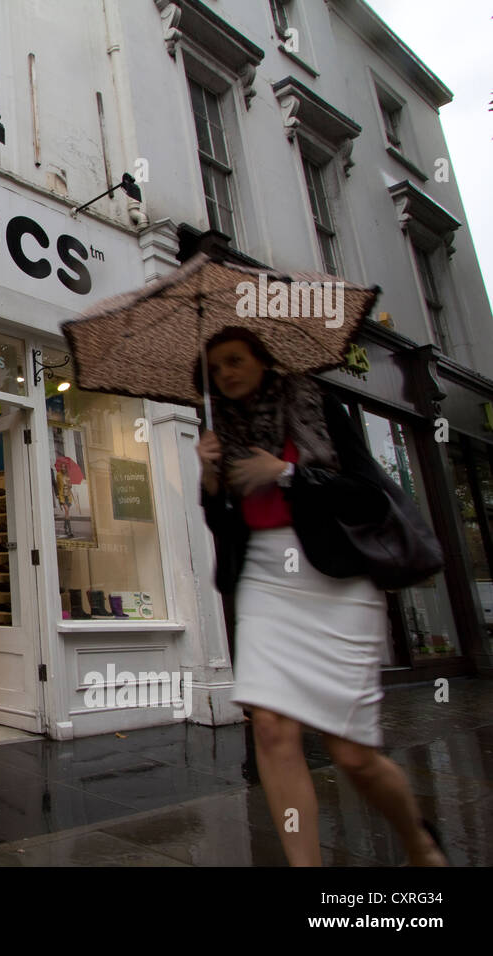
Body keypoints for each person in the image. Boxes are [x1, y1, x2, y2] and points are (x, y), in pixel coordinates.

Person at [195, 326, 447, 867]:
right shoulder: (218, 431)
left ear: (262, 360)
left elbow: (367, 495)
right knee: (271, 726)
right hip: (264, 580)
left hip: (336, 583)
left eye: (235, 361)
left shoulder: (315, 403)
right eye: (216, 369)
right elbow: (224, 525)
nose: (226, 375)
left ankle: (418, 840)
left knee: (353, 755)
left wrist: (286, 473)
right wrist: (211, 482)